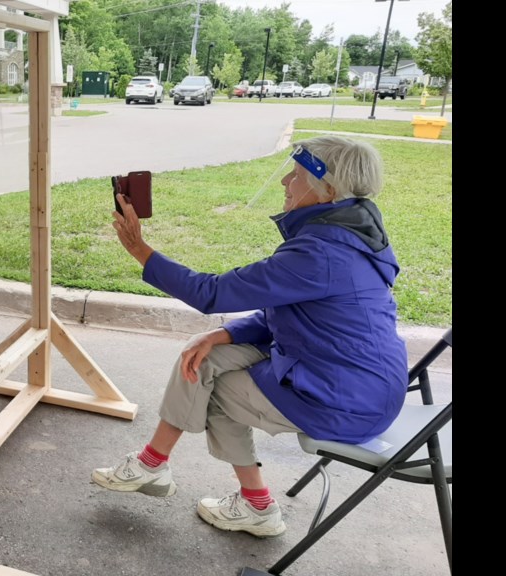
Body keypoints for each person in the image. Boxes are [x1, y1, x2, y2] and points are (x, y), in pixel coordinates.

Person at [91, 136, 408, 538]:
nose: (285, 184)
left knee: (216, 392)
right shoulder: (349, 232)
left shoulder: (322, 253)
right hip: (349, 377)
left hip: (345, 400)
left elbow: (213, 293)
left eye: (295, 176)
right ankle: (153, 465)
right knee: (204, 358)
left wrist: (140, 250)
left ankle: (256, 506)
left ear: (328, 191)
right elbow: (296, 308)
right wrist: (224, 333)